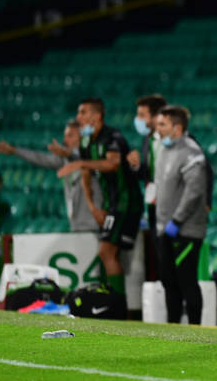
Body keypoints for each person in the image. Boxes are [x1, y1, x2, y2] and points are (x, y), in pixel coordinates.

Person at [57, 98, 143, 300]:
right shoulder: (87, 141)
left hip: (126, 202)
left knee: (106, 252)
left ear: (96, 117)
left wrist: (80, 163)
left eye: (83, 112)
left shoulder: (113, 137)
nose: (79, 117)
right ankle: (109, 302)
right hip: (110, 203)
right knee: (107, 254)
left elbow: (112, 164)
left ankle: (117, 307)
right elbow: (87, 172)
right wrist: (92, 207)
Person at [0, 119, 102, 232]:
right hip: (77, 225)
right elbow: (41, 158)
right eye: (65, 136)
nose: (65, 140)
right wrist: (14, 151)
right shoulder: (65, 161)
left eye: (70, 136)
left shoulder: (95, 157)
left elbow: (86, 160)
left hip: (95, 226)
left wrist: (70, 154)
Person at [154, 105, 208, 324]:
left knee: (186, 280)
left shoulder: (192, 152)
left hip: (186, 229)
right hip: (165, 228)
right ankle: (173, 326)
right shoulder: (163, 149)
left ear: (177, 128)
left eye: (162, 125)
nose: (157, 129)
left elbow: (194, 191)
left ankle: (195, 328)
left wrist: (176, 220)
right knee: (169, 281)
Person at [127, 94, 167, 234]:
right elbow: (149, 174)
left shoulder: (176, 140)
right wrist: (136, 166)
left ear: (156, 116)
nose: (137, 120)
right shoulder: (146, 140)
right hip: (153, 206)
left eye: (141, 115)